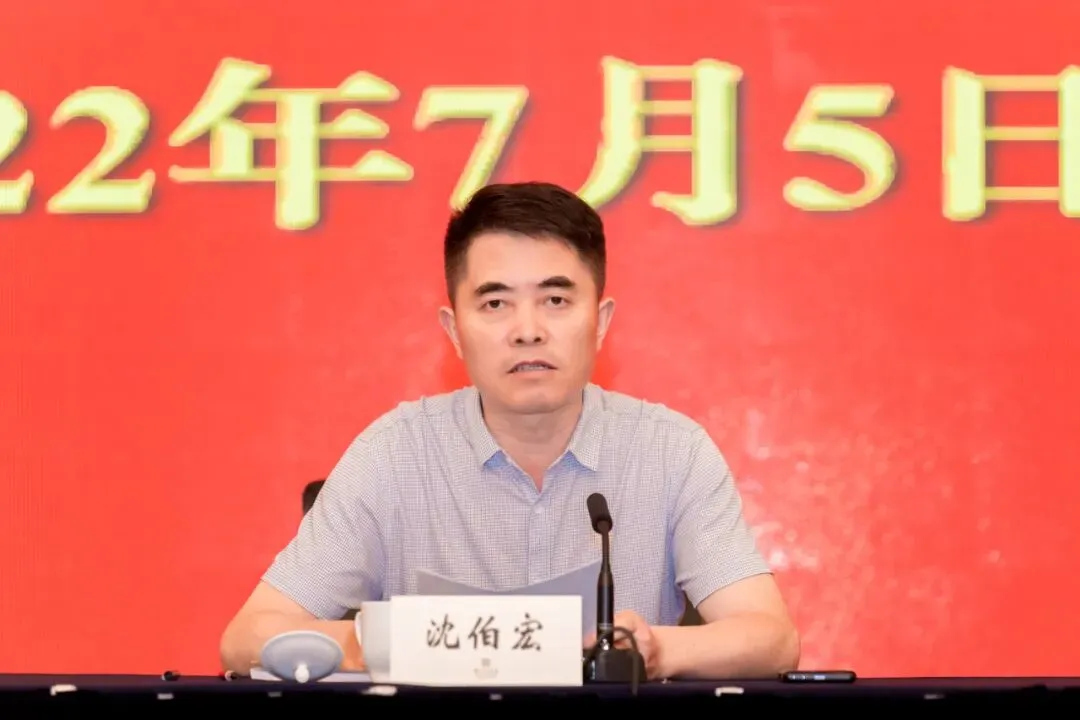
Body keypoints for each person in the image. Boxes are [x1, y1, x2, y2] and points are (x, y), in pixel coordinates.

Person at [219, 182, 800, 680]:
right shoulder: (393, 454)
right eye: (495, 304)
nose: (527, 330)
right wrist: (393, 639)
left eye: (555, 299)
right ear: (454, 330)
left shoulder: (671, 452)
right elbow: (248, 636)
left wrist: (651, 649)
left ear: (600, 322)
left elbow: (771, 637)